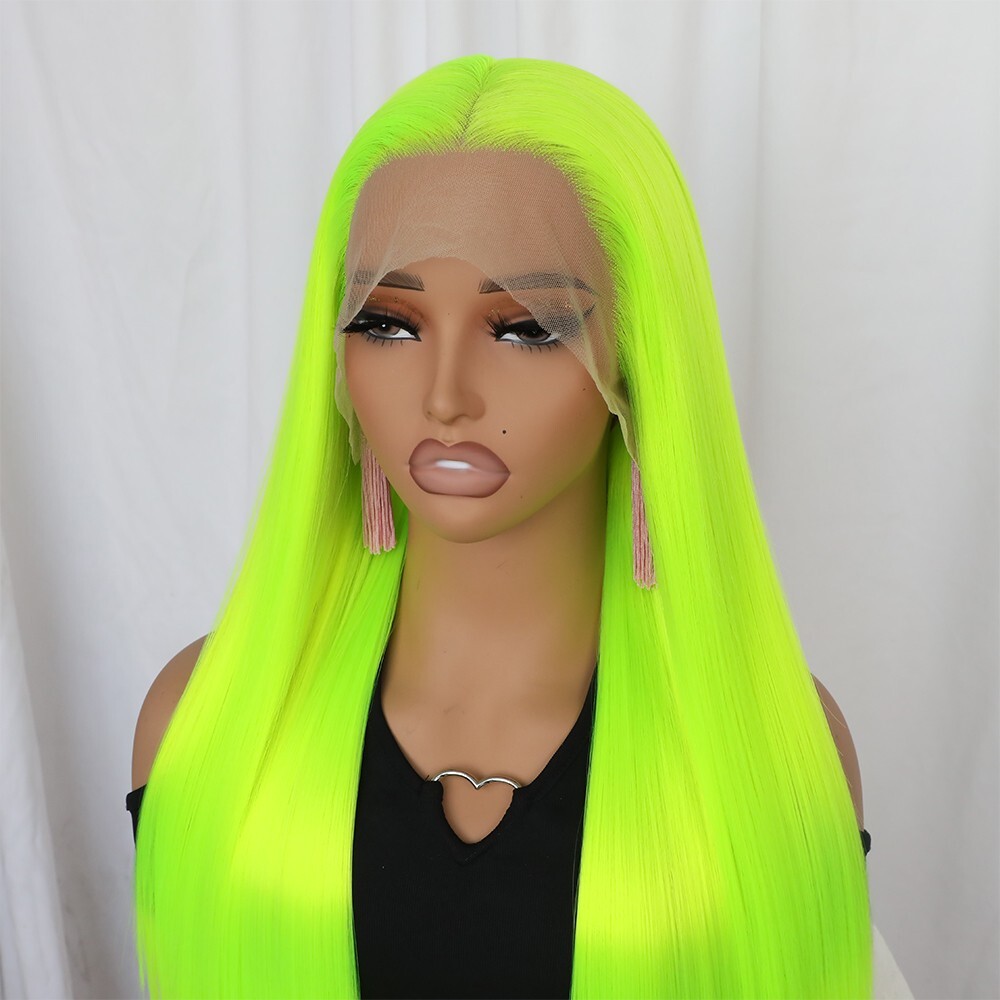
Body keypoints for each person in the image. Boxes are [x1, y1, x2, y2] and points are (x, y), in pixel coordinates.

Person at [127, 55, 873, 998]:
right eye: (388, 324)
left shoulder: (776, 756)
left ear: (639, 358)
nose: (445, 398)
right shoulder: (202, 724)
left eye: (526, 329)